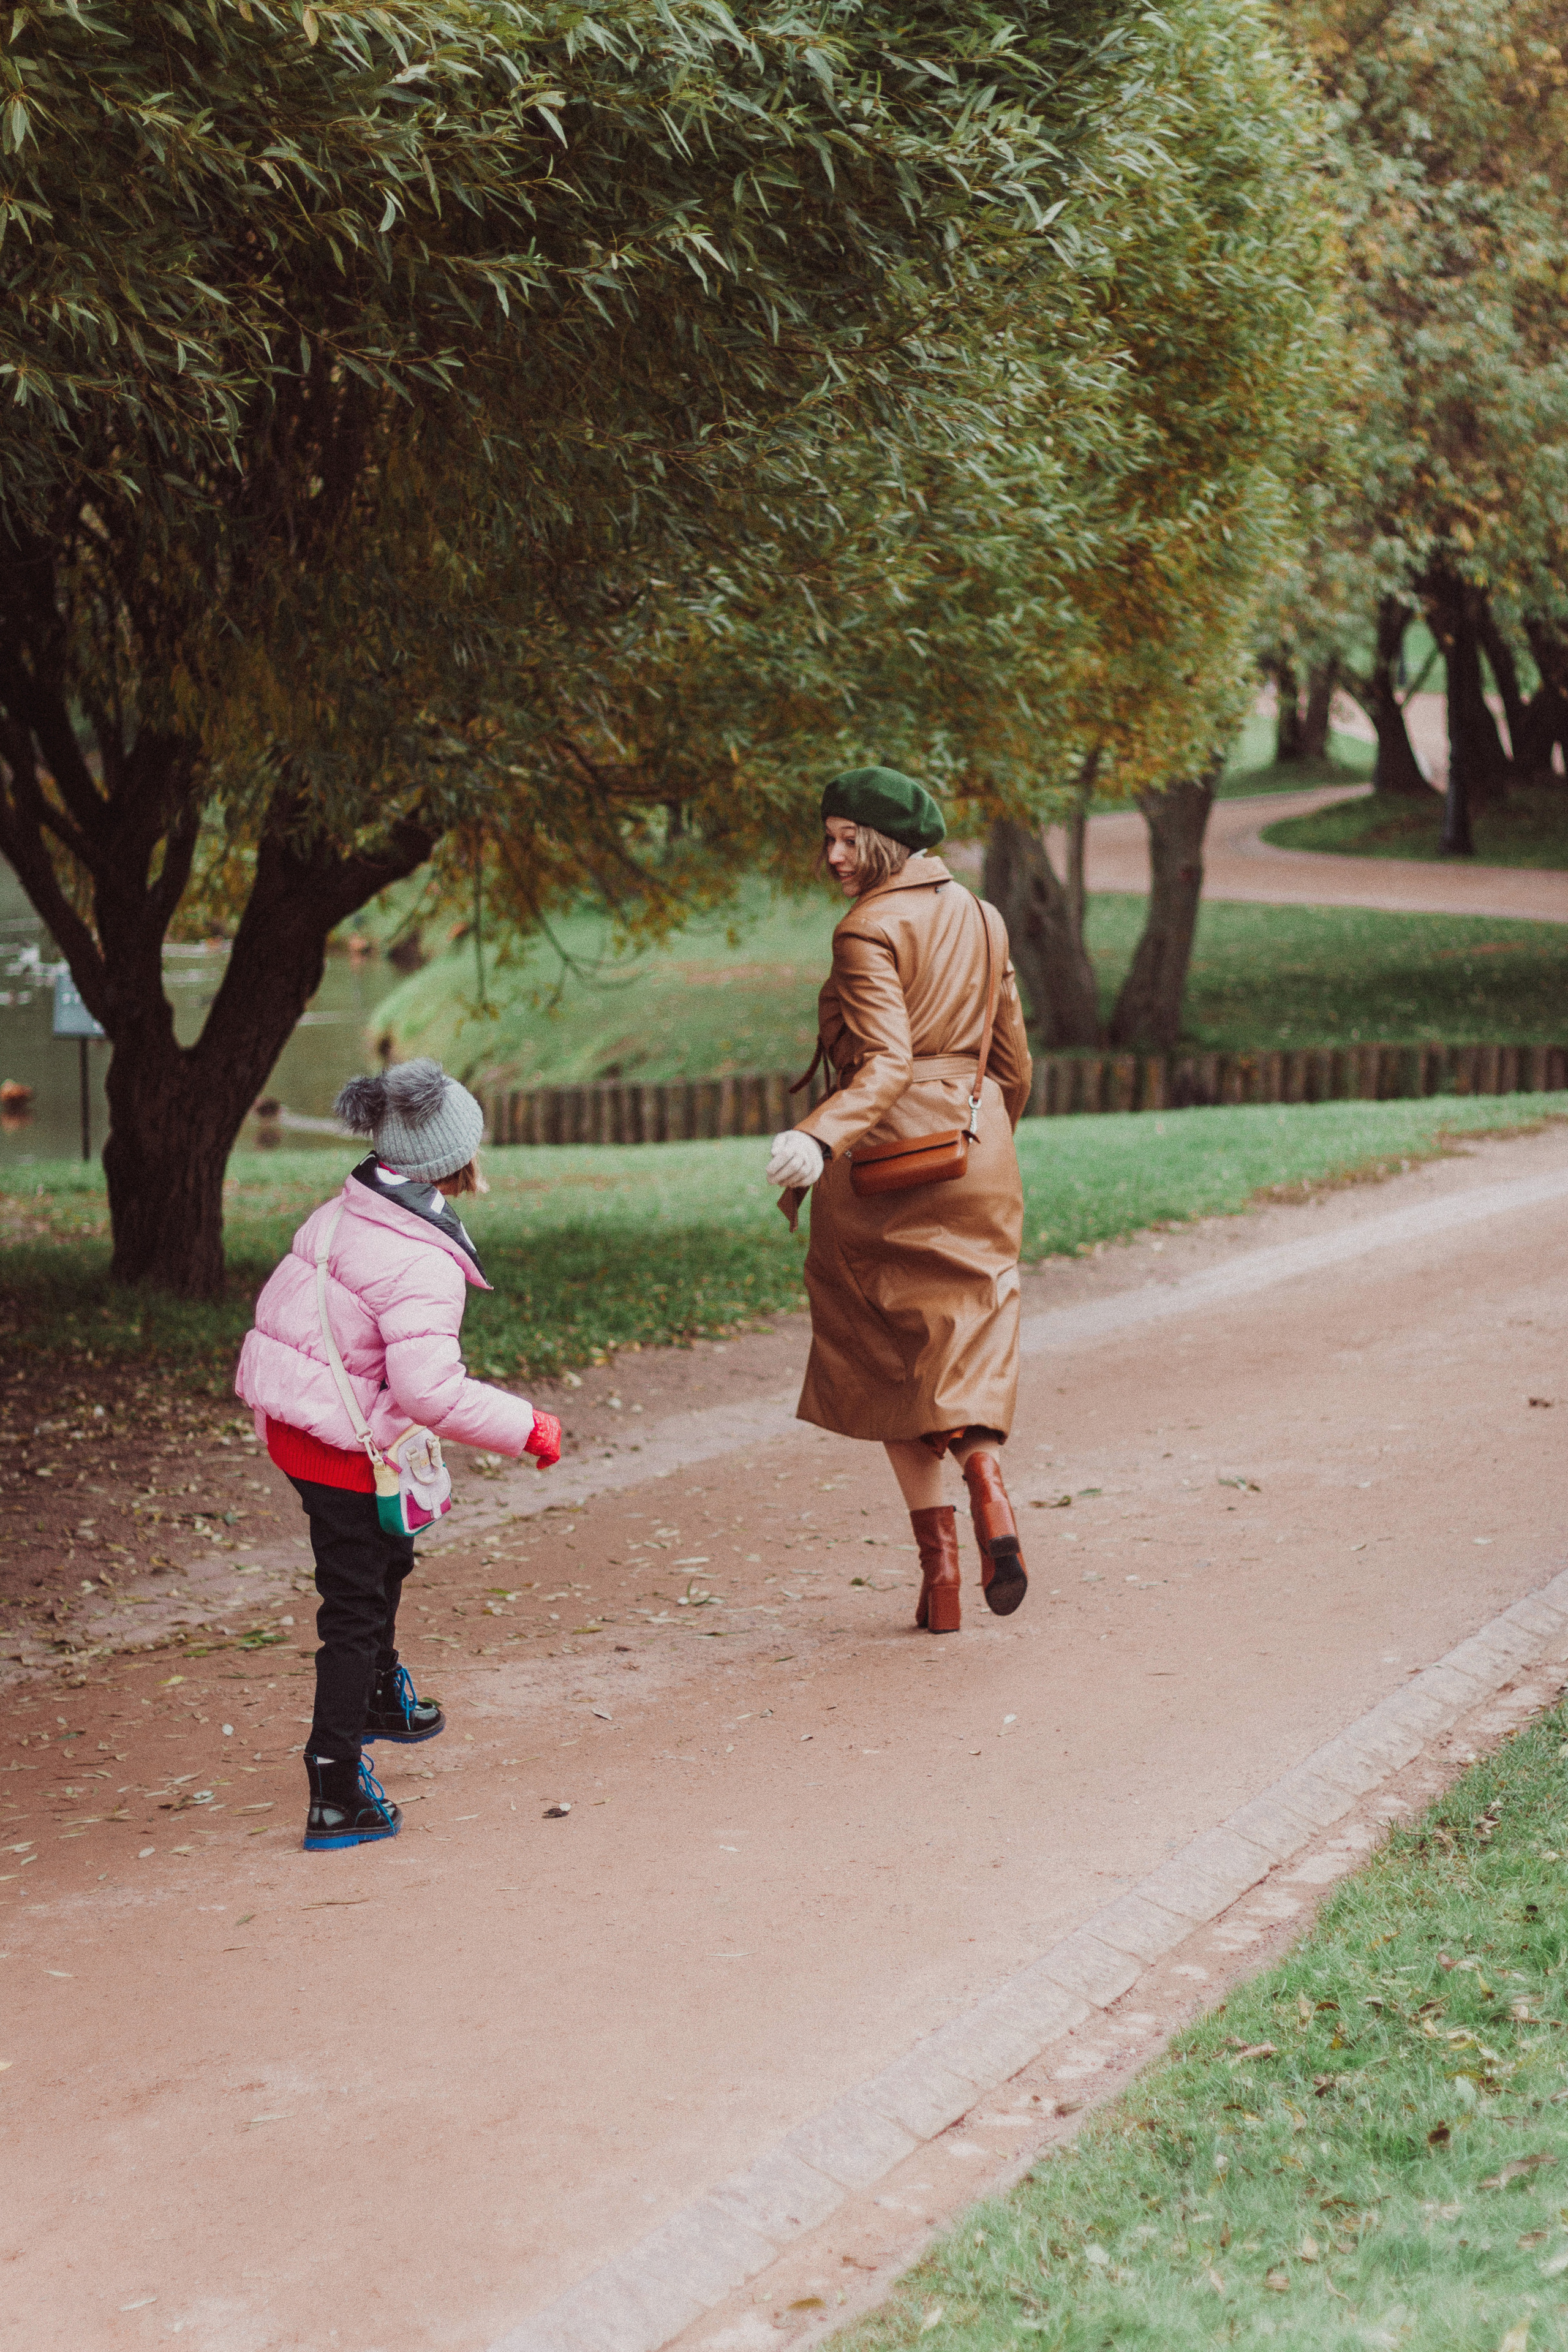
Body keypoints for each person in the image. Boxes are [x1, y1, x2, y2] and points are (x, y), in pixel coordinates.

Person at [236, 1058, 562, 1850]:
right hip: (336, 1446)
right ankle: (334, 1787)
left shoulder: (347, 1212)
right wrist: (529, 1427)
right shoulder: (419, 1258)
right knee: (355, 1606)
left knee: (391, 1552)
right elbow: (429, 1391)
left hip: (300, 1426)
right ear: (456, 1158)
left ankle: (380, 1693)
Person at [766, 767, 1034, 1634]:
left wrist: (817, 1135)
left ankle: (943, 1574)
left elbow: (882, 1063)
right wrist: (992, 1140)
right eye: (830, 837)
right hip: (976, 1144)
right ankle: (988, 1480)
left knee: (885, 1356)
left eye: (848, 838)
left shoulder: (867, 928)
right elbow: (1014, 1062)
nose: (832, 855)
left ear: (886, 843)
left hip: (883, 1161)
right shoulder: (986, 917)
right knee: (970, 1328)